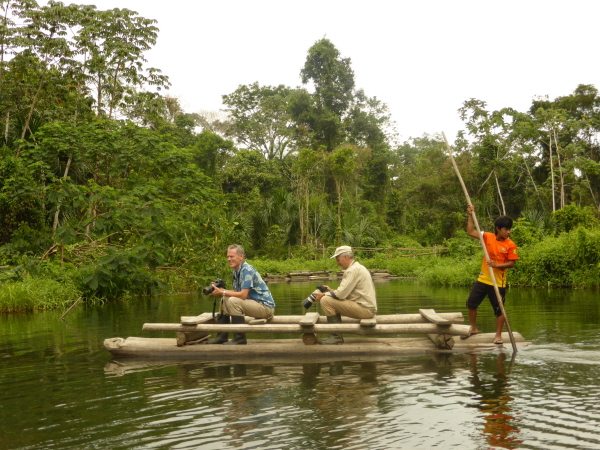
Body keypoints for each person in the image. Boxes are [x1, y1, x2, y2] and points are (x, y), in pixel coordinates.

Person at [462, 204, 518, 344]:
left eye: (510, 229)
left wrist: (496, 265)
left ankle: (498, 336)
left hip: (498, 282)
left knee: (499, 310)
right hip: (483, 279)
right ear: (498, 229)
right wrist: (470, 215)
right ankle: (473, 328)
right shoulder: (487, 237)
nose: (509, 232)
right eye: (506, 229)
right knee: (471, 303)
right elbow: (470, 231)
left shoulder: (510, 244)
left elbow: (512, 263)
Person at [207, 244, 275, 345]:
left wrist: (222, 292)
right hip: (253, 304)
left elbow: (243, 295)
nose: (229, 259)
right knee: (225, 298)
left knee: (233, 301)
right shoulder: (237, 271)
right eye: (228, 257)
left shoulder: (247, 270)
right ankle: (222, 337)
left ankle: (240, 339)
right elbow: (236, 292)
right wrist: (221, 290)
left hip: (265, 307)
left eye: (232, 256)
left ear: (241, 257)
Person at [313, 245, 377, 345]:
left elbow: (341, 295)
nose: (337, 263)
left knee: (325, 300)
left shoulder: (352, 270)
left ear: (346, 257)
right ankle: (336, 336)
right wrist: (331, 291)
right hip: (366, 308)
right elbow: (344, 293)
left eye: (338, 260)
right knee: (328, 297)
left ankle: (336, 337)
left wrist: (324, 294)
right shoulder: (357, 268)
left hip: (365, 309)